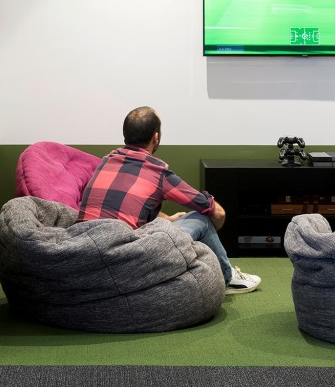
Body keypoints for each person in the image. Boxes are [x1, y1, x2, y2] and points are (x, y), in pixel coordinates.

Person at [78, 106, 261, 294]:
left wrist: (168, 219)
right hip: (124, 258)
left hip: (83, 253)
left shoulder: (105, 162)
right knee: (202, 219)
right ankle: (228, 277)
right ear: (156, 137)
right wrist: (215, 221)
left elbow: (131, 208)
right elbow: (213, 210)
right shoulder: (158, 172)